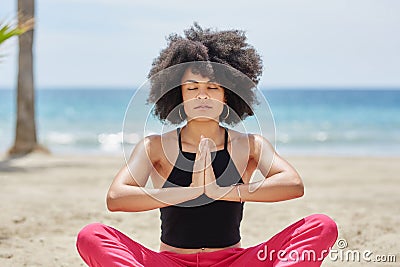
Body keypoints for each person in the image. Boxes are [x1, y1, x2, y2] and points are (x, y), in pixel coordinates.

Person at [76, 23, 338, 267]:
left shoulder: (250, 145)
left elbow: (293, 184)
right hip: (171, 262)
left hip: (234, 261)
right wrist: (191, 192)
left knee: (321, 226)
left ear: (228, 94)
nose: (202, 95)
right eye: (191, 88)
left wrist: (223, 191)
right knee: (92, 235)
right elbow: (116, 198)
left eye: (212, 87)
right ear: (176, 95)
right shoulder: (155, 146)